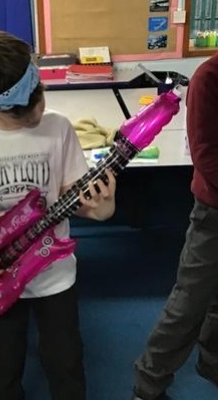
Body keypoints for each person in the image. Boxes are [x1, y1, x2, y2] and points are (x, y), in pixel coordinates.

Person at [0, 30, 116, 400]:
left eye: (40, 96)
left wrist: (103, 206)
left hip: (54, 274)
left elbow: (78, 200)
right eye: (25, 110)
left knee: (66, 363)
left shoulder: (58, 127)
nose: (39, 110)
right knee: (1, 366)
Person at [130, 54, 218, 400]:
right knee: (189, 302)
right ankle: (148, 384)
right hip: (214, 212)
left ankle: (212, 362)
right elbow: (205, 154)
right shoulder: (209, 76)